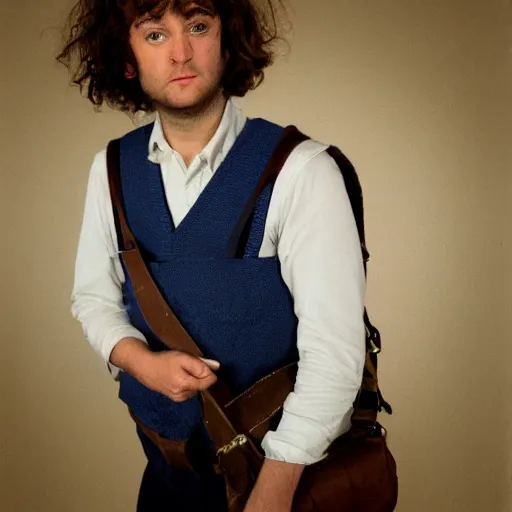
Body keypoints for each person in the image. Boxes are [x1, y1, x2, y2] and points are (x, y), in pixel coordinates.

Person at [58, 0, 366, 510]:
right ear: (128, 55)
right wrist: (141, 363)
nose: (180, 53)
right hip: (164, 480)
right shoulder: (111, 167)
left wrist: (275, 489)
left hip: (280, 484)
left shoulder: (301, 171)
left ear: (228, 41)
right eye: (155, 34)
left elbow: (334, 357)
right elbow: (93, 298)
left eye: (198, 27)